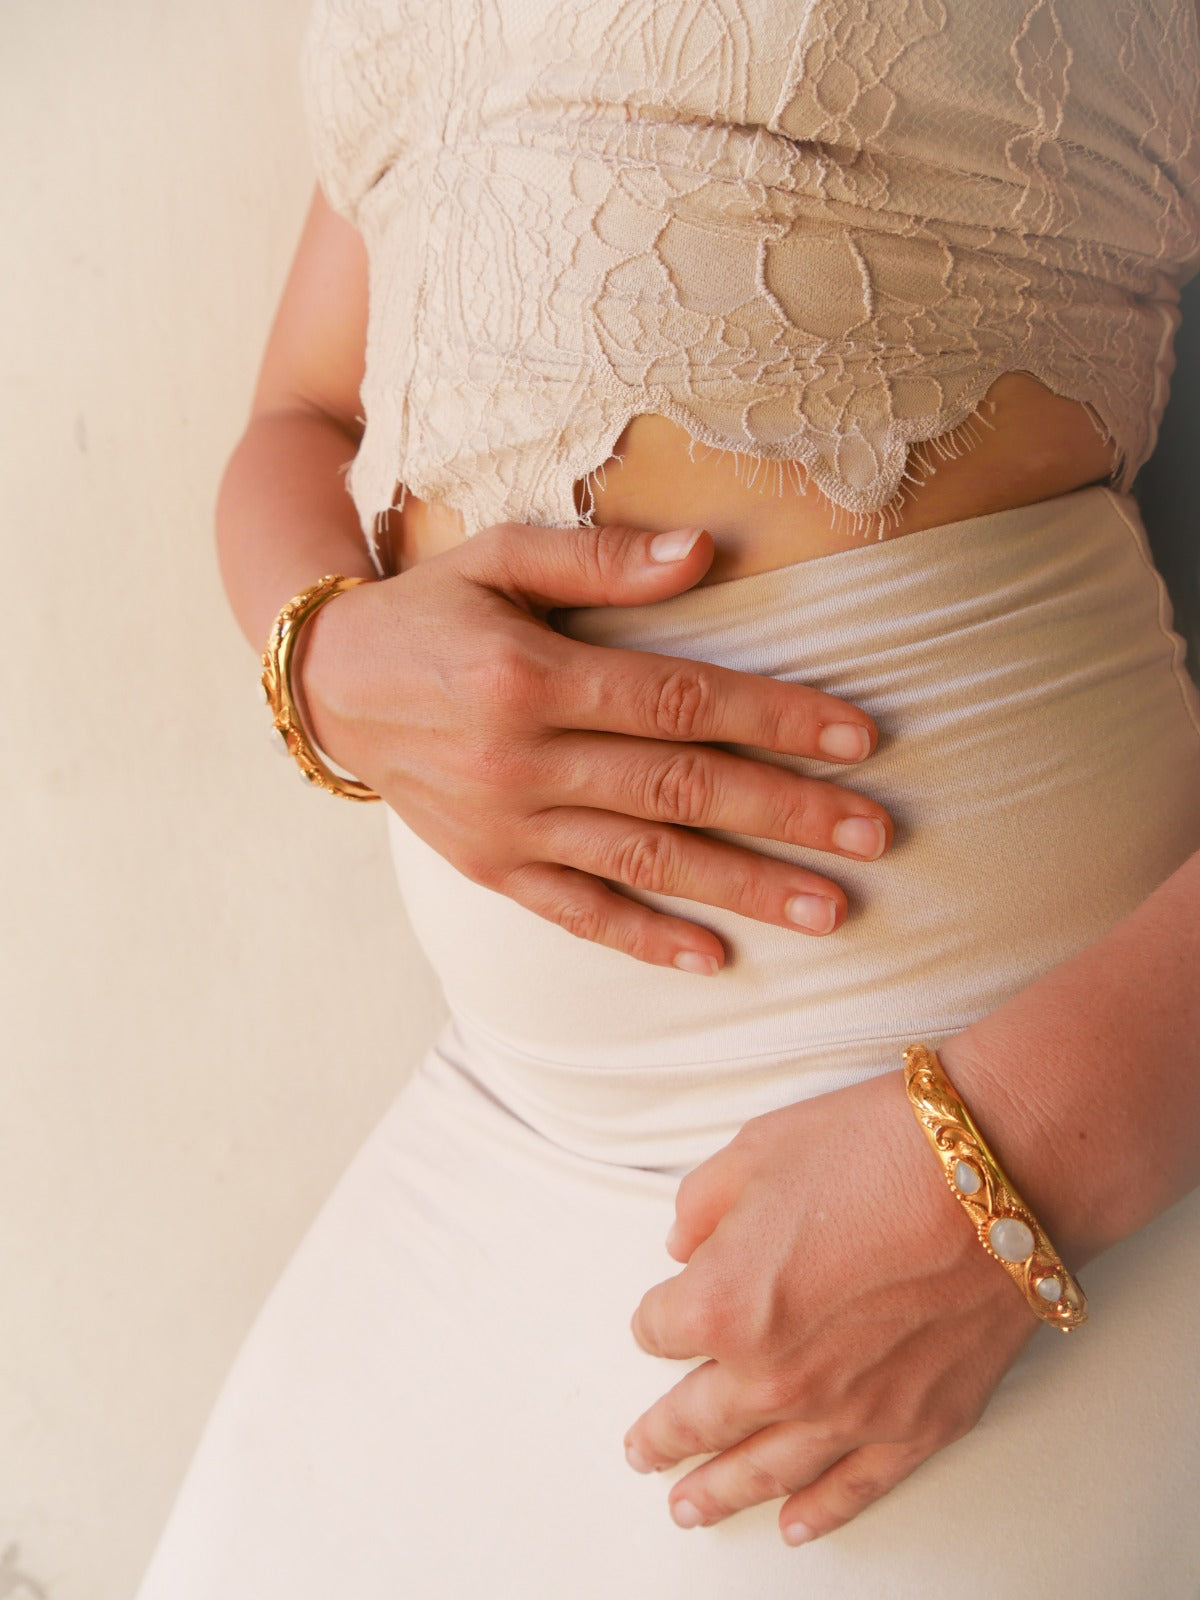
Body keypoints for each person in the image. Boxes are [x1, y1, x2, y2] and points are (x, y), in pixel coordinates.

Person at [135, 2, 1200, 1595]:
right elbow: (301, 419)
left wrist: (1018, 1164)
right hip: (507, 1118)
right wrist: (329, 656)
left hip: (982, 1154)